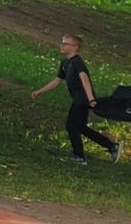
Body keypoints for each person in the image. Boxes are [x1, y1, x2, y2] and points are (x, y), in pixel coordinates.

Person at [31, 33, 121, 164]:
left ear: (75, 47)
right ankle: (111, 146)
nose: (61, 45)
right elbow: (57, 81)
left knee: (72, 126)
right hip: (77, 99)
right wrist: (39, 91)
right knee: (79, 127)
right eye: (61, 43)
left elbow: (84, 79)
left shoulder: (77, 62)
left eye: (65, 44)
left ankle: (79, 156)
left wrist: (91, 99)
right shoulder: (65, 62)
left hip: (82, 100)